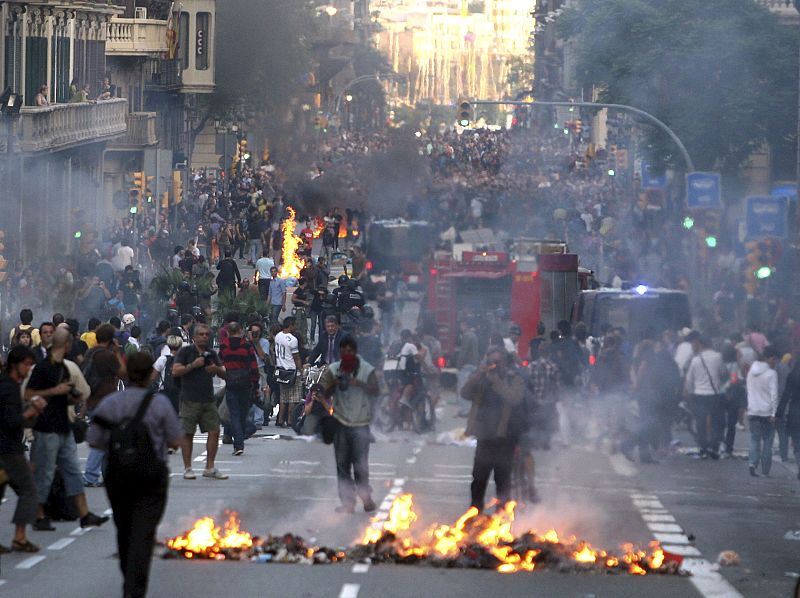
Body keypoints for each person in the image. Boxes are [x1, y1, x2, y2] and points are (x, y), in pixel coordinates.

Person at [88, 352, 183, 598]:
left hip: (117, 476)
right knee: (144, 532)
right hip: (152, 477)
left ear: (126, 373)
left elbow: (95, 441)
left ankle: (128, 577)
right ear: (151, 374)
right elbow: (175, 439)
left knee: (124, 528)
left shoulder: (110, 403)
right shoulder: (160, 404)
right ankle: (135, 587)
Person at [25, 328, 108, 530]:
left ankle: (84, 514)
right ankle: (38, 515)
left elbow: (65, 395)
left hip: (64, 426)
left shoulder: (64, 366)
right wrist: (56, 391)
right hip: (46, 429)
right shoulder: (43, 367)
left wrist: (72, 396)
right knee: (44, 474)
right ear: (67, 345)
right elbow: (29, 393)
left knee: (72, 472)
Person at [461, 348, 525, 512]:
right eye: (491, 362)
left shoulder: (513, 379)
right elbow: (465, 393)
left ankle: (501, 520)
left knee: (503, 481)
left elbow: (515, 398)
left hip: (505, 438)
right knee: (478, 480)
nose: (494, 366)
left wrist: (497, 382)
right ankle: (475, 515)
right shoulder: (481, 379)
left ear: (504, 363)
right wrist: (478, 375)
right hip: (484, 437)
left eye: (497, 362)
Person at [321, 337, 379, 514]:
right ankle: (347, 502)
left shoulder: (367, 370)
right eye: (343, 351)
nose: (346, 354)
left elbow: (376, 391)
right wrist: (335, 383)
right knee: (342, 465)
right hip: (340, 423)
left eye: (349, 351)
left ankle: (366, 498)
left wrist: (359, 384)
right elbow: (325, 393)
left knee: (361, 465)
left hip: (361, 424)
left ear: (355, 352)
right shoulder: (333, 370)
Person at [0, 346, 45, 552]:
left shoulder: (8, 385)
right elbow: (10, 422)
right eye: (26, 364)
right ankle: (19, 537)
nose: (28, 369)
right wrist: (31, 410)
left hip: (7, 448)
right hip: (8, 451)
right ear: (15, 365)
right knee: (28, 491)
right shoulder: (8, 388)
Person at [172, 323, 228, 480]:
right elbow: (176, 371)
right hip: (189, 399)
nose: (204, 337)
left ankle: (210, 467)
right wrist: (192, 365)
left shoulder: (211, 353)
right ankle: (188, 467)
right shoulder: (186, 352)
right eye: (201, 334)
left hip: (208, 399)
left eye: (206, 334)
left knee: (214, 430)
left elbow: (223, 372)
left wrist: (215, 369)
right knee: (188, 433)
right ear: (195, 337)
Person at [684, 332, 727, 459]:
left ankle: (703, 448)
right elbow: (723, 372)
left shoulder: (695, 360)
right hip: (714, 395)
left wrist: (690, 392)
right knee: (715, 422)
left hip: (699, 395)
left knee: (701, 423)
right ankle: (714, 448)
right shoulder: (718, 356)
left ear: (700, 344)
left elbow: (689, 380)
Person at [219, 322, 258, 455]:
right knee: (242, 413)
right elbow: (253, 366)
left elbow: (220, 363)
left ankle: (238, 445)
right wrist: (255, 384)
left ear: (228, 332)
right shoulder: (247, 346)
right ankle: (239, 442)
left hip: (231, 383)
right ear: (241, 330)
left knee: (234, 413)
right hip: (245, 384)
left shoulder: (224, 346)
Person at [746, 345, 780, 477]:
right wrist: (774, 413)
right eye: (773, 359)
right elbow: (774, 395)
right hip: (767, 412)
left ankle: (752, 463)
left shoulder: (750, 372)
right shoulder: (772, 374)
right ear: (768, 358)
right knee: (767, 441)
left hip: (753, 410)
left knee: (754, 439)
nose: (774, 361)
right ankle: (765, 470)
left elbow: (749, 391)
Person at [274, 317, 303, 428]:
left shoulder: (278, 336)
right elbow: (296, 357)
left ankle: (280, 420)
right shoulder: (292, 339)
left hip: (281, 370)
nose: (295, 327)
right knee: (293, 398)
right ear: (290, 325)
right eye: (294, 325)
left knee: (283, 397)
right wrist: (301, 370)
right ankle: (290, 421)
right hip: (291, 371)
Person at [778, 356, 800, 480]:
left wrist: (778, 413)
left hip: (795, 411)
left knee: (797, 441)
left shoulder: (792, 375)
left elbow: (786, 395)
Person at [154, 335, 183, 414]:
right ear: (180, 346)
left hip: (164, 392)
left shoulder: (162, 359)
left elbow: (152, 377)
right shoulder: (183, 360)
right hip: (179, 394)